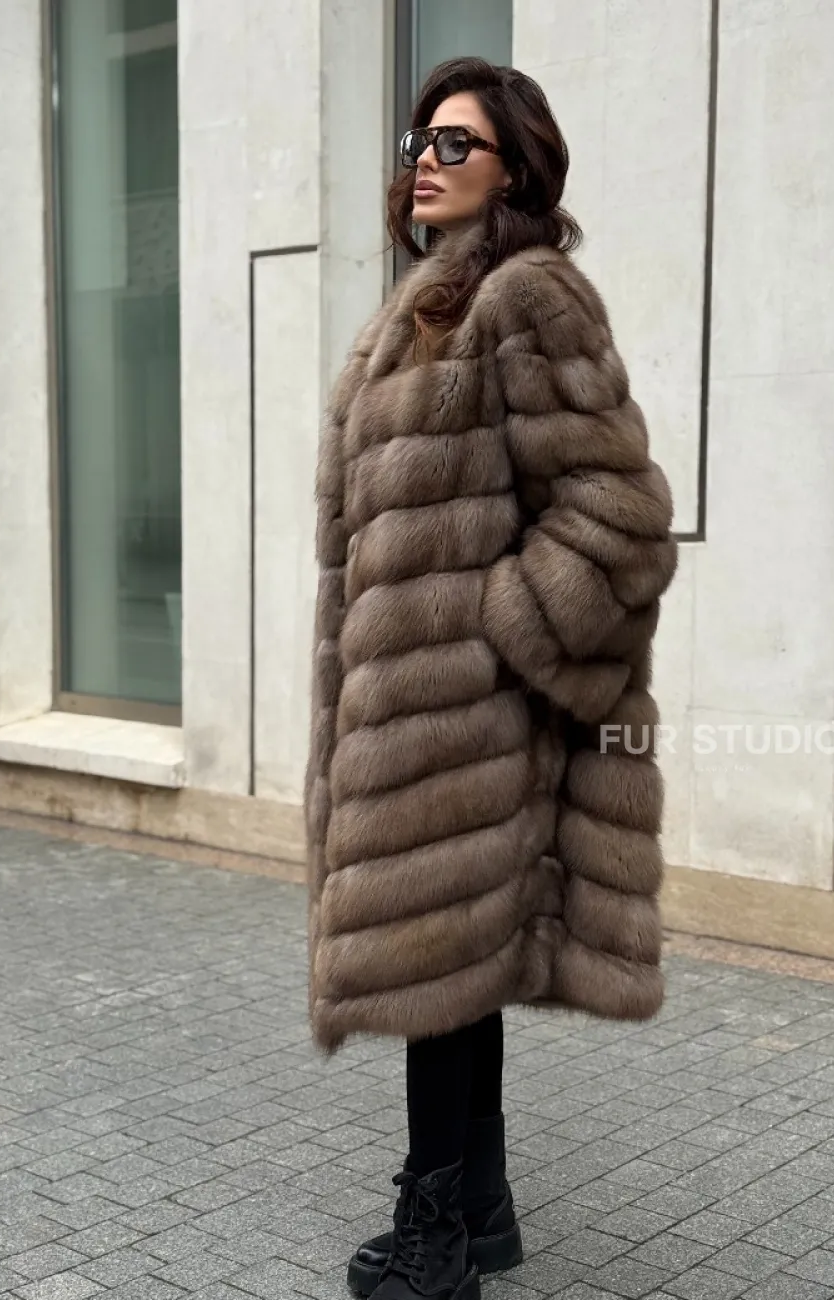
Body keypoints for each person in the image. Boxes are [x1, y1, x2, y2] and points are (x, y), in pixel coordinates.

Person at [304, 56, 678, 1300]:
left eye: (456, 143)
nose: (426, 158)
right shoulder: (428, 306)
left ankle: (434, 1243)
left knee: (437, 971)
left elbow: (617, 515)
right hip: (415, 727)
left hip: (465, 723)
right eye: (419, 139)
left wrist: (495, 634)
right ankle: (481, 1206)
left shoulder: (528, 298)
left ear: (515, 168)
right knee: (457, 973)